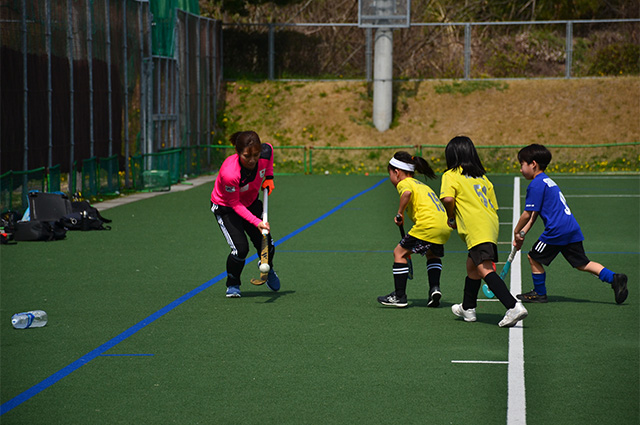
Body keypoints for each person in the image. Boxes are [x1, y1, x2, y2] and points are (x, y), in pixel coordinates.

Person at [512, 143, 628, 304]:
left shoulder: (536, 184)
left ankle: (539, 293)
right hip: (571, 228)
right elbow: (533, 216)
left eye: (522, 164)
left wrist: (516, 231)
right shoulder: (548, 181)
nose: (520, 169)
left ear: (533, 164)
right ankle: (614, 278)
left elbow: (526, 214)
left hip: (557, 230)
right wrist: (522, 235)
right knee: (582, 263)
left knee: (533, 257)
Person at [440, 136, 528, 327]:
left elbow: (447, 199)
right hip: (489, 224)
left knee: (483, 268)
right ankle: (468, 308)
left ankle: (513, 306)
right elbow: (493, 206)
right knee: (472, 266)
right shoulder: (482, 178)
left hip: (475, 227)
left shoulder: (451, 175)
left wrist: (451, 217)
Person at [377, 152, 452, 308]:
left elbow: (406, 194)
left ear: (396, 172)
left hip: (427, 225)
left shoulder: (404, 183)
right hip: (443, 226)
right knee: (433, 255)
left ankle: (399, 296)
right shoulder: (422, 185)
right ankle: (434, 289)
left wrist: (400, 213)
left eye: (389, 173)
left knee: (399, 253)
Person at [210, 131, 280, 298]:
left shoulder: (265, 153)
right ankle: (233, 284)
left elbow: (269, 150)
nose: (252, 160)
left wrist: (269, 176)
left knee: (267, 245)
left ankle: (267, 267)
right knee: (240, 250)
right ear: (238, 152)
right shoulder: (230, 173)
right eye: (247, 156)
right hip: (226, 207)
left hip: (250, 202)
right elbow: (234, 204)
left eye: (256, 155)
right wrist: (257, 222)